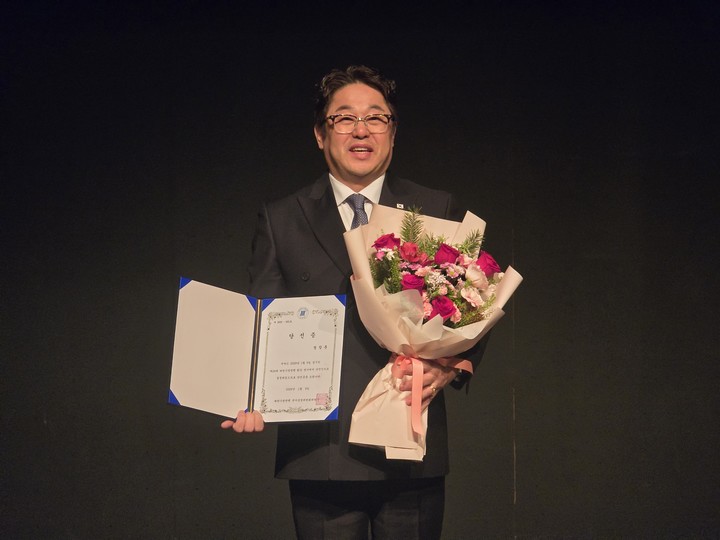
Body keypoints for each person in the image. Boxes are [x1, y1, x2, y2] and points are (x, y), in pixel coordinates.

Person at [221, 65, 487, 540]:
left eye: (376, 118)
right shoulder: (282, 218)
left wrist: (450, 366)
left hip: (409, 442)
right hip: (319, 452)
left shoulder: (434, 208)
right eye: (344, 118)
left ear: (393, 132)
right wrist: (247, 396)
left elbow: (474, 302)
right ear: (320, 134)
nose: (361, 130)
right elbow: (260, 323)